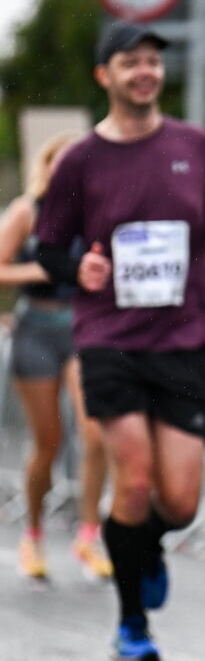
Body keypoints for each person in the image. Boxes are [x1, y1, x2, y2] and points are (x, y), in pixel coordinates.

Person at [35, 20, 205, 661]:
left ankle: (144, 545)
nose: (145, 72)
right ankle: (131, 623)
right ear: (106, 75)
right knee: (134, 480)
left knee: (178, 501)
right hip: (110, 340)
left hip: (186, 336)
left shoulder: (193, 143)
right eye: (131, 63)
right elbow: (48, 246)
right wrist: (79, 270)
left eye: (153, 61)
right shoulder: (80, 160)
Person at [0, 133, 109, 581]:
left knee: (96, 434)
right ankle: (34, 532)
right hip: (36, 330)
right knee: (48, 442)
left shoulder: (97, 212)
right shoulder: (28, 210)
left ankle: (87, 535)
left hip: (82, 328)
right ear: (47, 166)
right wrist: (46, 268)